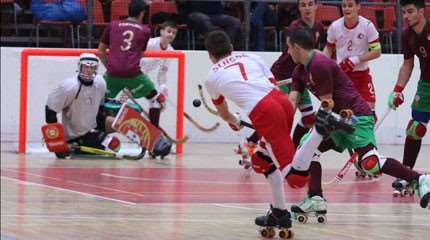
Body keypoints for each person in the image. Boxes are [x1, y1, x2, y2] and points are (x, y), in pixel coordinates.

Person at [286, 27, 430, 218]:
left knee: (370, 162)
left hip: (357, 117)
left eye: (288, 48)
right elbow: (293, 101)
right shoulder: (299, 71)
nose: (287, 52)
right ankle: (315, 198)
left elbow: (328, 103)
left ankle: (420, 179)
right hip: (337, 119)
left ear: (296, 47)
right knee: (309, 146)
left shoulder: (319, 64)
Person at [204, 30, 295, 233]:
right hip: (283, 103)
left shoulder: (212, 77)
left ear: (210, 55)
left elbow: (224, 113)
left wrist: (234, 121)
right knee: (261, 161)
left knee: (294, 174)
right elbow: (272, 85)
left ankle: (318, 135)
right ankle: (279, 212)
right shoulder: (252, 56)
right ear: (231, 48)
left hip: (266, 112)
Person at [97, 0, 167, 156]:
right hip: (133, 75)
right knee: (156, 99)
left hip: (112, 74)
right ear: (142, 13)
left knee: (97, 102)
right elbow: (140, 55)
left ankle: (98, 139)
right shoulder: (145, 30)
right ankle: (152, 145)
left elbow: (100, 52)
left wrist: (111, 67)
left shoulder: (113, 25)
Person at [388, 0, 430, 194]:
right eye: (404, 12)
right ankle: (407, 175)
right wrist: (398, 89)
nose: (406, 16)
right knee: (415, 129)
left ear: (422, 11)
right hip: (426, 86)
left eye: (410, 11)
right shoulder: (407, 35)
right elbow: (407, 64)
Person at [44, 53, 118, 158]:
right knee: (113, 145)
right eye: (86, 67)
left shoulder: (101, 82)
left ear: (96, 69)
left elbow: (100, 109)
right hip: (74, 135)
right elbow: (50, 111)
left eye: (92, 67)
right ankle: (78, 144)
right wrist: (58, 142)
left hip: (93, 128)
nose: (89, 70)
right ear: (80, 67)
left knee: (122, 125)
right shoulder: (68, 87)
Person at [323, 0, 381, 114]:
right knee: (343, 115)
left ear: (358, 7)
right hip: (342, 77)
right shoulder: (335, 26)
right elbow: (328, 48)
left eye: (350, 5)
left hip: (362, 76)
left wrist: (355, 60)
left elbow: (377, 51)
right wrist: (323, 65)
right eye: (344, 6)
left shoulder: (368, 26)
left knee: (370, 114)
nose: (346, 9)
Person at [140, 21, 178, 128]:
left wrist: (163, 86)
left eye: (174, 33)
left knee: (157, 103)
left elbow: (162, 72)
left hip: (143, 78)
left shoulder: (171, 51)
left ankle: (153, 132)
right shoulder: (150, 43)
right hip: (132, 75)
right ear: (161, 31)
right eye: (169, 31)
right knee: (121, 102)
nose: (171, 34)